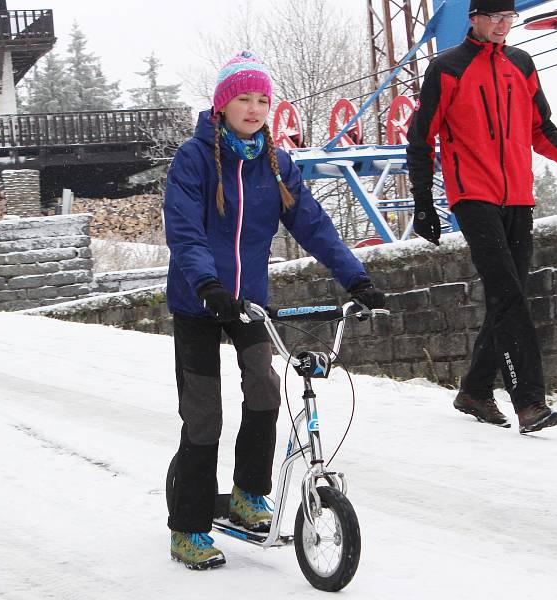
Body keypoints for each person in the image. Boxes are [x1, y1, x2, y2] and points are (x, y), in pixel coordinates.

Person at [163, 51, 386, 570]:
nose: (255, 108)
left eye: (263, 99)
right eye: (244, 97)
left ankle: (247, 494)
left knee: (264, 391)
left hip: (250, 303)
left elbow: (315, 228)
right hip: (200, 300)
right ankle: (188, 526)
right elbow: (185, 230)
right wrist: (208, 284)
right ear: (222, 105)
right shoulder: (194, 160)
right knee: (204, 416)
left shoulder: (276, 165)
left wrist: (357, 278)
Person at [406, 0, 557, 434]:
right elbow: (421, 138)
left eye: (507, 17)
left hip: (519, 198)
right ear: (474, 18)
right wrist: (422, 203)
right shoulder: (448, 68)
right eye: (493, 16)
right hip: (473, 195)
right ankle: (529, 402)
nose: (501, 24)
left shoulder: (521, 64)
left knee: (507, 296)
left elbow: (538, 127)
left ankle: (473, 390)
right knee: (508, 296)